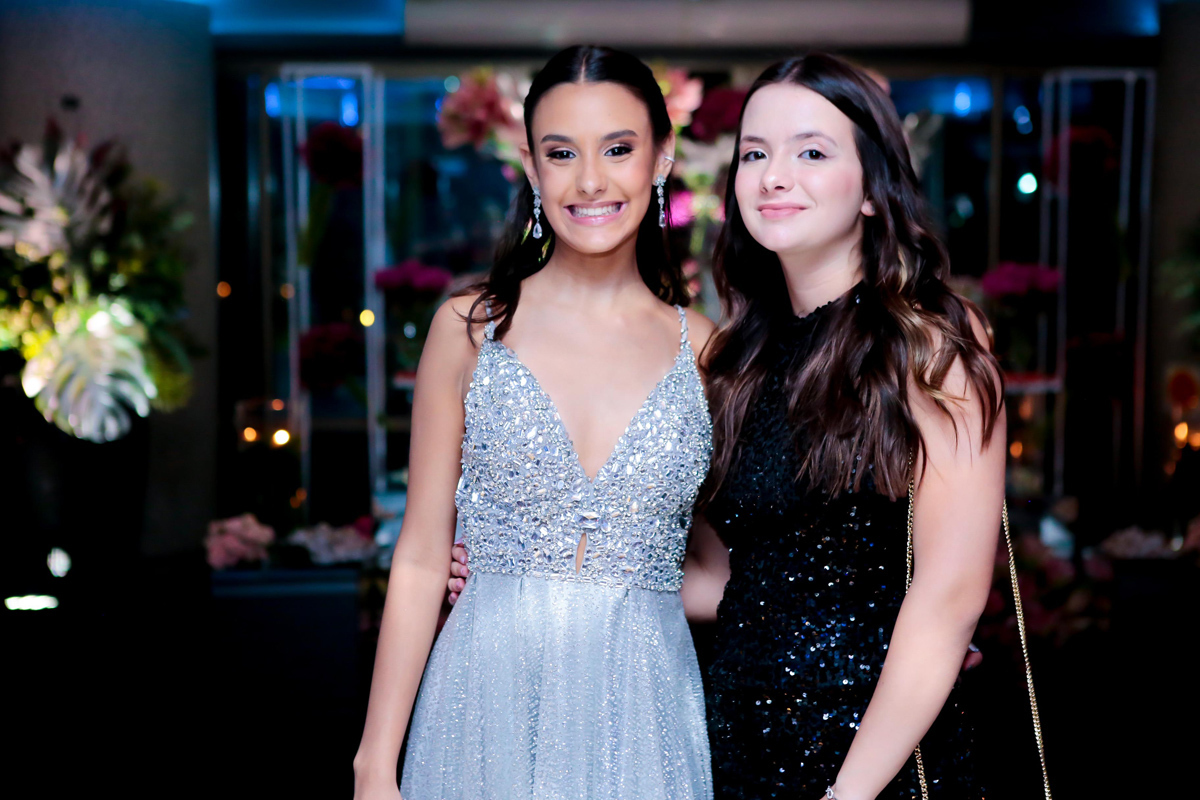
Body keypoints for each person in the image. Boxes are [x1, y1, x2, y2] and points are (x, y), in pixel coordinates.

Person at [353, 45, 717, 800]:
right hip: (482, 703)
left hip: (644, 715)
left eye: (618, 149)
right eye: (561, 153)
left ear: (662, 158)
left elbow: (726, 571)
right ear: (531, 166)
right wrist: (373, 765)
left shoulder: (708, 352)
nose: (590, 181)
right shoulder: (469, 329)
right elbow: (419, 557)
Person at [688, 54, 1004, 799]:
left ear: (871, 188)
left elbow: (950, 597)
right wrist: (532, 570)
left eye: (811, 153)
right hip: (736, 741)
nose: (774, 176)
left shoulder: (928, 343)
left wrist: (849, 794)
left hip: (875, 758)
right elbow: (733, 582)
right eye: (755, 154)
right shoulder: (735, 360)